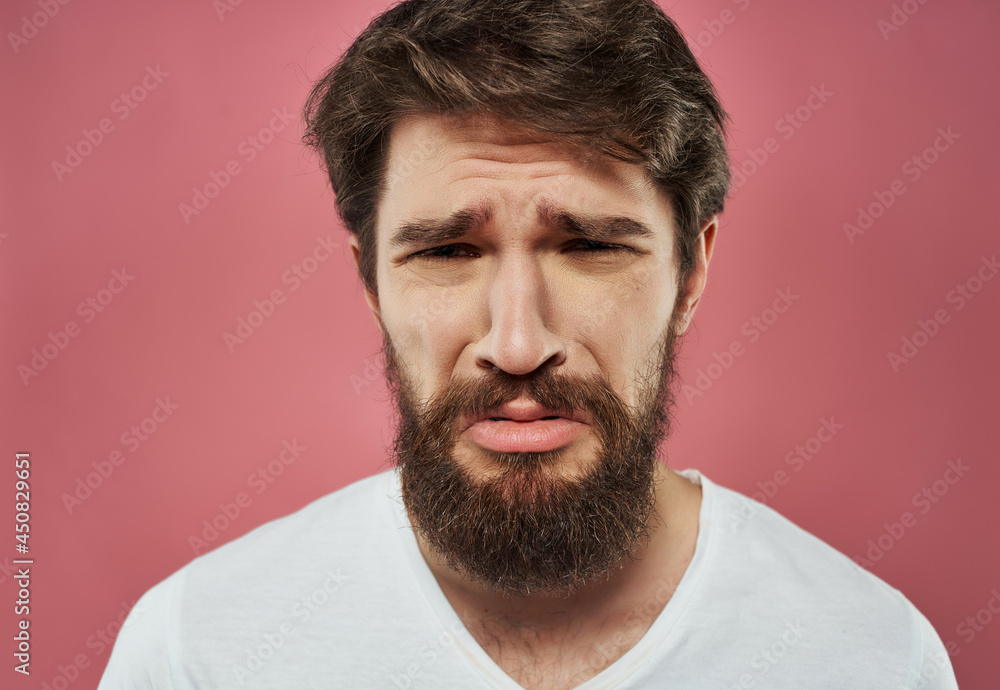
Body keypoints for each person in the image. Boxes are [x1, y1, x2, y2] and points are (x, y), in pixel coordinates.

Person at [99, 0, 958, 688]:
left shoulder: (873, 658)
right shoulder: (196, 651)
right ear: (370, 282)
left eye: (589, 245)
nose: (517, 345)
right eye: (447, 252)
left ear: (691, 271)